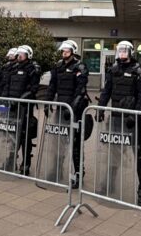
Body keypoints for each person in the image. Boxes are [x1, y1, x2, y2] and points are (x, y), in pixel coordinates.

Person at [98, 40, 141, 206]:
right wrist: (100, 109)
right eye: (119, 50)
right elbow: (106, 92)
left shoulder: (138, 71)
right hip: (115, 118)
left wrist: (136, 115)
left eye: (124, 50)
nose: (121, 53)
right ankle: (109, 183)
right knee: (113, 152)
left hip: (131, 120)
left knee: (138, 154)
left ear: (130, 52)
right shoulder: (113, 70)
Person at [46, 40, 89, 187]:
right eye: (63, 50)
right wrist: (48, 102)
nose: (64, 52)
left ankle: (78, 174)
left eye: (67, 50)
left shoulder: (80, 66)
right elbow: (52, 86)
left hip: (73, 110)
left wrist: (72, 108)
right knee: (58, 141)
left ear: (73, 51)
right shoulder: (58, 66)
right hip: (60, 108)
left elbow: (81, 89)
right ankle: (56, 170)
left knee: (75, 143)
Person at [1, 44, 41, 175]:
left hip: (24, 107)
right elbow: (7, 85)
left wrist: (19, 100)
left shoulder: (32, 68)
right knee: (12, 135)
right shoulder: (14, 67)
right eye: (18, 54)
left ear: (28, 55)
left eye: (22, 54)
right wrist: (5, 99)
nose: (19, 56)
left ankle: (26, 164)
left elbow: (33, 88)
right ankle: (10, 161)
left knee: (25, 136)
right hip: (12, 107)